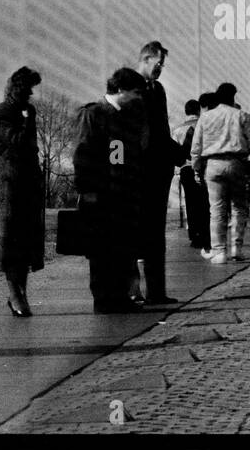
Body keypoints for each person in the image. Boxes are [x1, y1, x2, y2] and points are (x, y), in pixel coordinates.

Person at [73, 68, 149, 313]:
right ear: (120, 90)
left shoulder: (124, 116)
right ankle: (104, 299)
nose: (139, 97)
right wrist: (88, 189)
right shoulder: (93, 114)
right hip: (101, 194)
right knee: (102, 250)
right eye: (136, 92)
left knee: (121, 247)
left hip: (123, 194)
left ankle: (118, 296)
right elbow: (82, 153)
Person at [0, 67, 44, 317]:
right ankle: (15, 294)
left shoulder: (28, 110)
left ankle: (21, 293)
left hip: (28, 180)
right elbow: (15, 140)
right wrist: (26, 120)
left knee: (25, 239)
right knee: (11, 239)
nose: (31, 94)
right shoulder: (2, 111)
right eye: (28, 88)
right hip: (10, 182)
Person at [136, 41, 185, 305]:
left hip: (157, 169)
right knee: (136, 233)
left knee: (155, 232)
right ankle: (133, 291)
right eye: (158, 63)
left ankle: (155, 291)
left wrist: (175, 153)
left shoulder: (157, 89)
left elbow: (161, 130)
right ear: (146, 58)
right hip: (137, 171)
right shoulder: (130, 87)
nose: (161, 69)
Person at [191, 82, 250, 263]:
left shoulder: (206, 117)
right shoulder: (242, 115)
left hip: (212, 163)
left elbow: (196, 146)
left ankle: (219, 252)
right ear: (233, 96)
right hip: (236, 163)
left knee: (216, 209)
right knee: (239, 207)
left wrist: (196, 167)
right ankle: (236, 248)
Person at [174, 97, 211, 250]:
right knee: (204, 202)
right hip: (203, 167)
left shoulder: (177, 130)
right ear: (198, 110)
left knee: (190, 202)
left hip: (185, 168)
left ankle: (194, 235)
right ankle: (205, 234)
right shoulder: (205, 126)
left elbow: (175, 152)